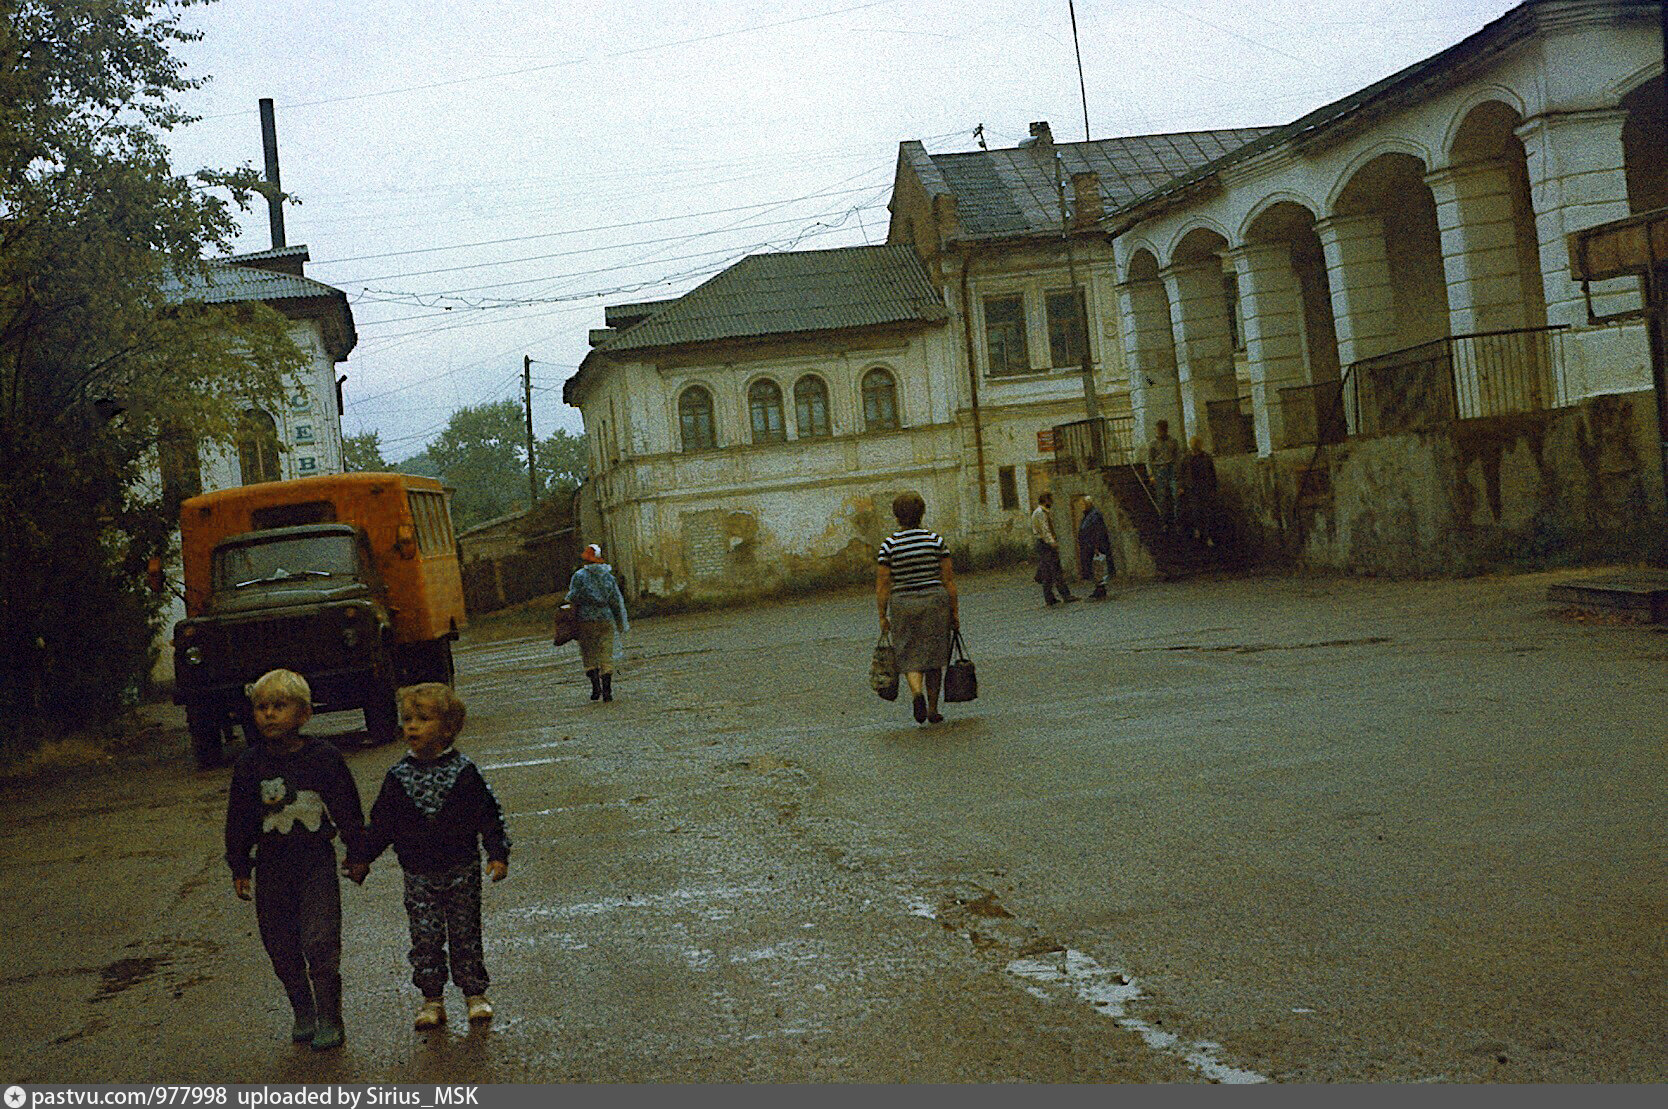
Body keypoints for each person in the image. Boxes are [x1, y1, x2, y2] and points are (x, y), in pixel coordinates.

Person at [346, 683, 510, 1031]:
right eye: (407, 719)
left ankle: (474, 994)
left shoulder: (464, 772)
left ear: (448, 728)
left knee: (465, 932)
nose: (412, 726)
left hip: (461, 868)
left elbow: (488, 814)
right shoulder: (398, 777)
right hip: (418, 874)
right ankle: (431, 999)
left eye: (423, 718)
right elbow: (381, 824)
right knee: (425, 935)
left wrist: (497, 853)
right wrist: (362, 858)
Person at [224, 668, 366, 1051]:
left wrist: (357, 853)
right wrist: (239, 865)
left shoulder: (324, 758)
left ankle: (329, 1014)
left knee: (320, 940)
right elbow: (239, 818)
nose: (269, 714)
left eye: (279, 706)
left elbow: (347, 809)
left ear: (303, 714)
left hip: (315, 865)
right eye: (261, 707)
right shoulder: (249, 765)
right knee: (280, 946)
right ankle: (302, 1009)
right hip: (271, 869)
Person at [876, 491, 960, 725]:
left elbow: (883, 584)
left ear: (897, 516)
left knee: (910, 654)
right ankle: (932, 710)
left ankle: (916, 694)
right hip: (935, 602)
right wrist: (955, 613)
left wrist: (882, 615)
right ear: (922, 513)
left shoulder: (889, 545)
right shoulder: (935, 541)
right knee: (934, 656)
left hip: (903, 604)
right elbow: (949, 581)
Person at [566, 543, 629, 702]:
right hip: (606, 619)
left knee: (589, 654)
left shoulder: (579, 576)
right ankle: (608, 691)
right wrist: (621, 622)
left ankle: (596, 688)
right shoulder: (608, 576)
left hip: (585, 620)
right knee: (606, 654)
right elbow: (616, 600)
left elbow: (572, 597)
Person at [1030, 491, 1077, 605]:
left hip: (1042, 544)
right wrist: (1052, 543)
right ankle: (1065, 595)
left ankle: (1049, 598)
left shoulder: (1041, 512)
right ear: (1046, 500)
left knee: (1047, 572)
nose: (1052, 502)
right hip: (1045, 544)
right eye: (1050, 500)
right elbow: (1045, 529)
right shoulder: (1041, 513)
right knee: (1056, 570)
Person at [1181, 436, 1220, 547]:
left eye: (1196, 444)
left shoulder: (1206, 458)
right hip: (1192, 489)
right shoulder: (1186, 458)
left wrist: (1213, 488)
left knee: (1207, 512)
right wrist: (1182, 486)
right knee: (1195, 512)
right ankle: (1198, 530)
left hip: (1204, 488)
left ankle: (1208, 536)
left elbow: (1212, 474)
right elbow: (1182, 473)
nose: (1194, 447)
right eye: (1192, 444)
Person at [1145, 419, 1181, 528]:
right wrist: (1151, 475)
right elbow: (1149, 460)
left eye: (1161, 429)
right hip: (1159, 470)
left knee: (1176, 496)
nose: (1159, 431)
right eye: (1158, 429)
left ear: (1165, 429)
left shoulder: (1173, 441)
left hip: (1171, 469)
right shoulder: (1153, 443)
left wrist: (1178, 472)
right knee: (1161, 498)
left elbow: (1178, 457)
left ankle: (1177, 522)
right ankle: (1164, 522)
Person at [1076, 495, 1113, 600]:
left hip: (1094, 546)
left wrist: (1096, 546)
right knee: (1093, 567)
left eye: (1083, 504)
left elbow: (1098, 531)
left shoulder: (1094, 515)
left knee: (1097, 567)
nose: (1081, 506)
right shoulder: (1088, 515)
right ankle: (1099, 588)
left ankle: (1100, 588)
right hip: (1088, 545)